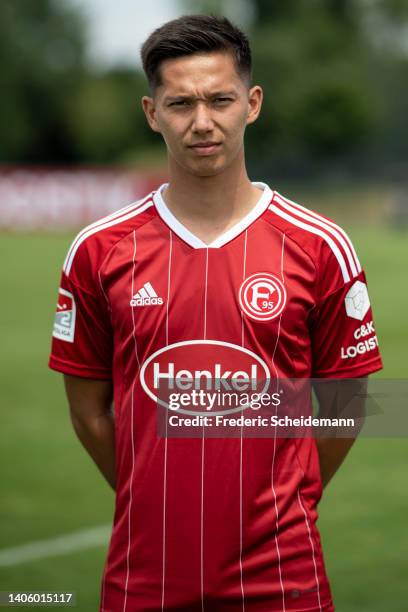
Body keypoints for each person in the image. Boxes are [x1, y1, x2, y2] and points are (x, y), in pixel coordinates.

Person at [49, 15, 383, 612]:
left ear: (251, 104)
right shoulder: (98, 251)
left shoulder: (319, 245)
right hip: (142, 576)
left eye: (220, 100)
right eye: (180, 104)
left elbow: (347, 407)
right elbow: (89, 413)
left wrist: (285, 499)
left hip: (285, 576)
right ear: (152, 113)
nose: (202, 122)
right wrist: (154, 500)